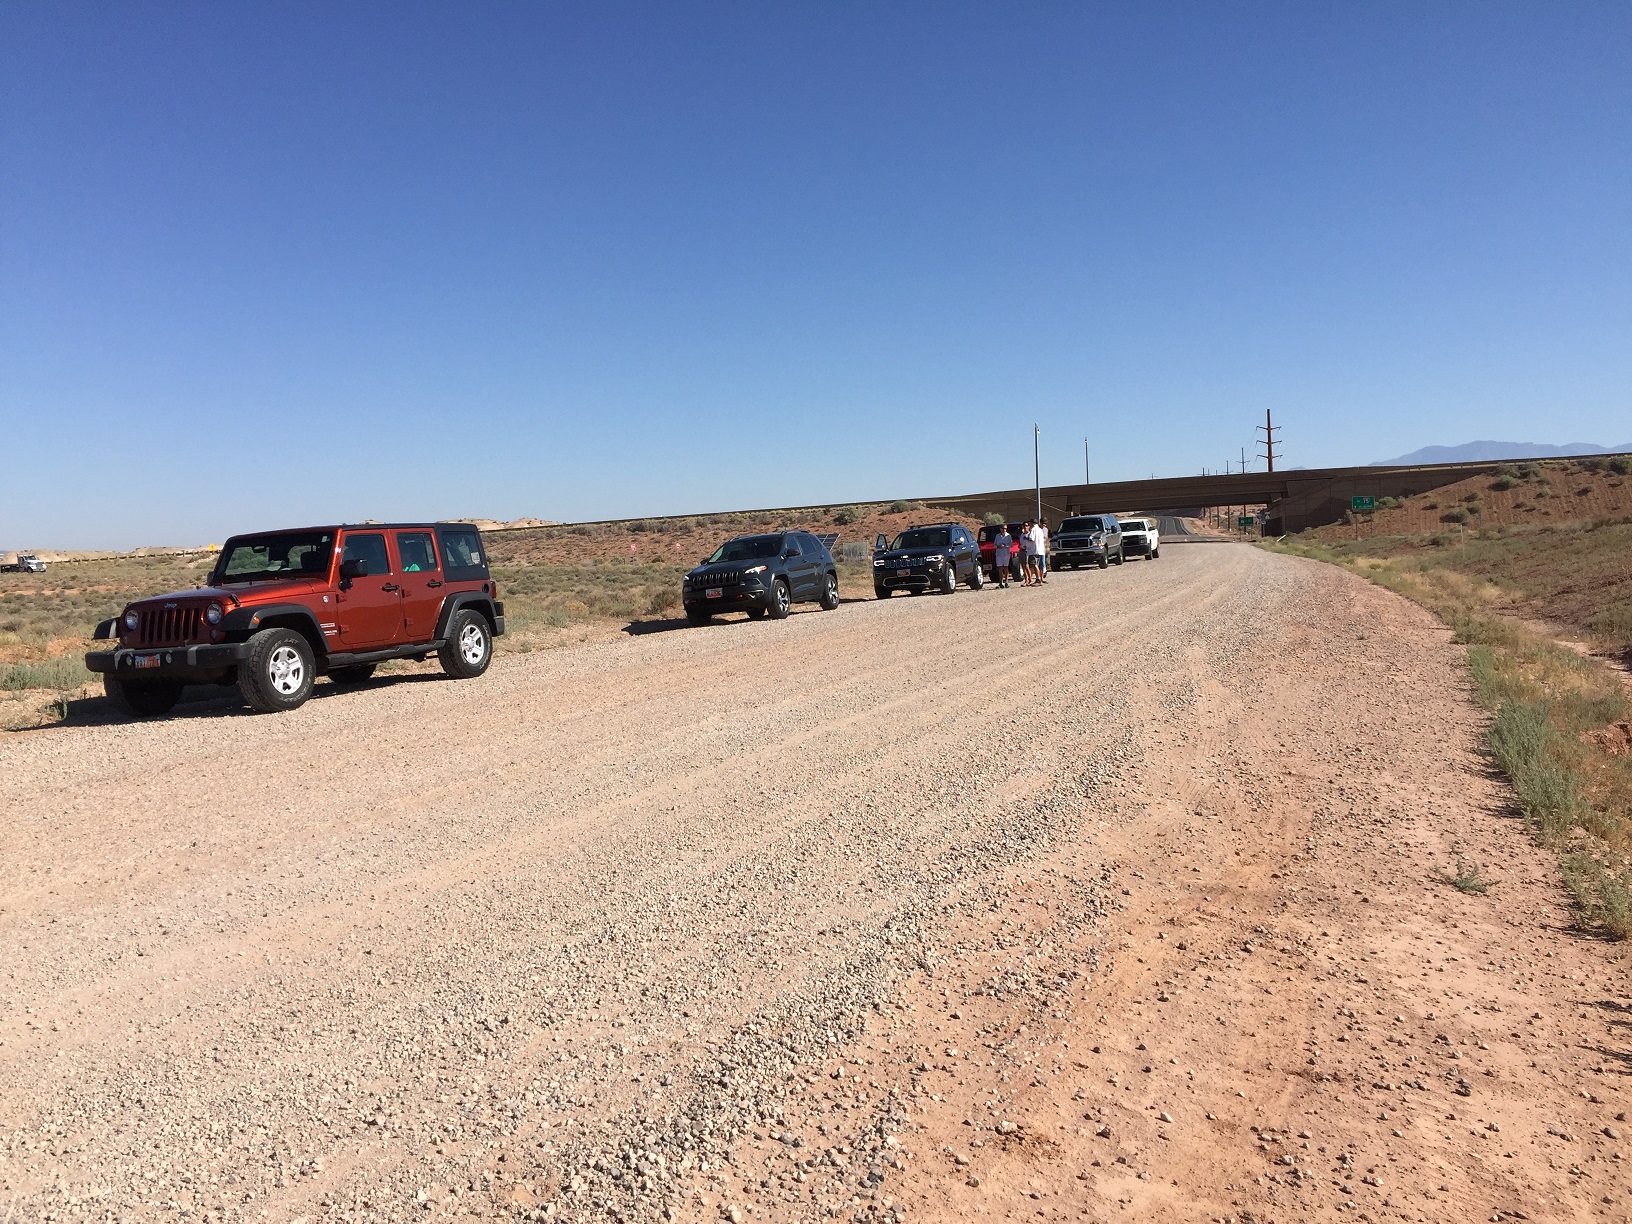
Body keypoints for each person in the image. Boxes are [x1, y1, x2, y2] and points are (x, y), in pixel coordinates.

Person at [1020, 519, 1039, 586]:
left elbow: (1031, 540)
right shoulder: (1022, 535)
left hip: (1028, 551)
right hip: (1022, 550)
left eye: (1026, 525)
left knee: (1027, 565)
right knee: (1023, 566)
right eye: (1024, 525)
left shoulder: (1030, 533)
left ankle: (1030, 579)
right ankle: (1026, 580)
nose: (1025, 527)